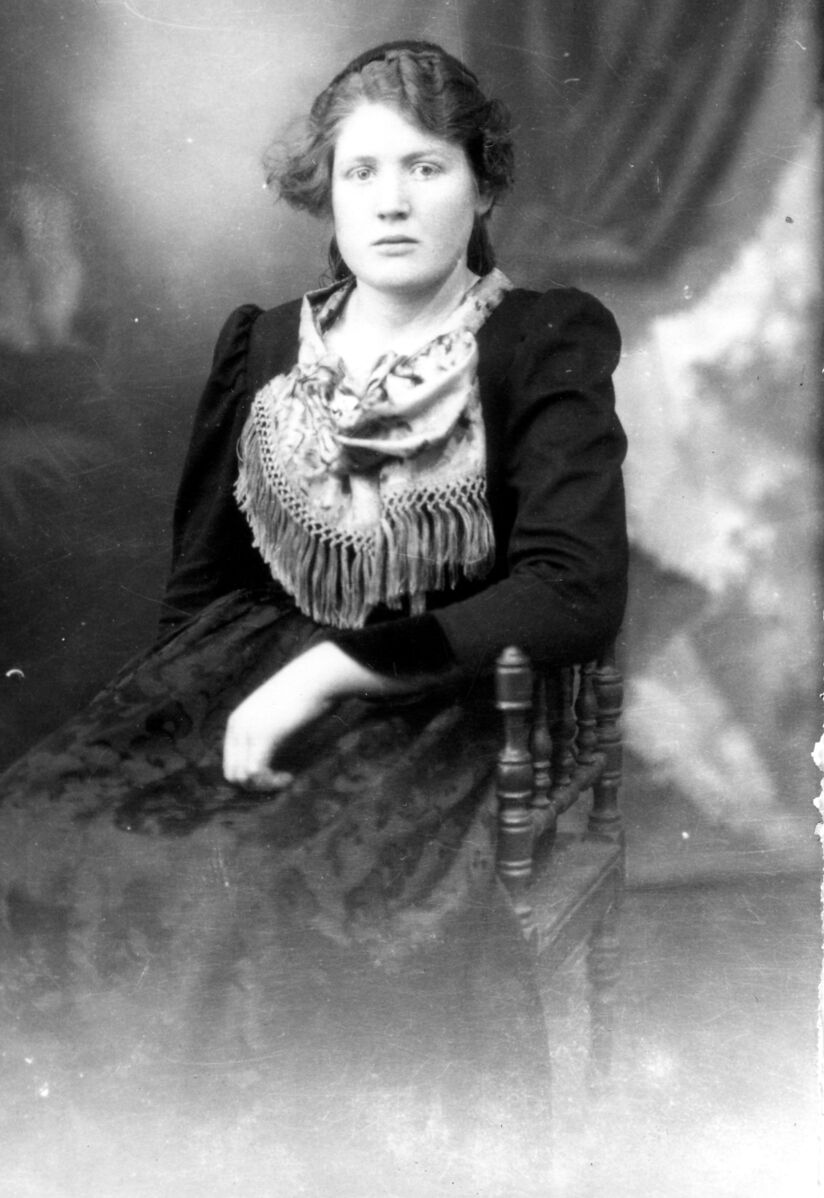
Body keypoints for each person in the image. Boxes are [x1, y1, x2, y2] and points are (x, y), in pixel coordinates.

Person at [0, 41, 627, 1193]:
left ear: (482, 185)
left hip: (437, 700)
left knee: (239, 887)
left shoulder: (540, 338)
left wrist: (327, 672)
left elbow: (573, 589)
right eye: (360, 171)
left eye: (426, 168)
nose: (390, 200)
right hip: (243, 680)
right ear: (325, 192)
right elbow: (203, 588)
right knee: (32, 828)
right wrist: (171, 733)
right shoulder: (263, 343)